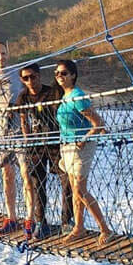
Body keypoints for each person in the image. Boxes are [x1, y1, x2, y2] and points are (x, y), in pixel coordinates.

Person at [54, 59, 113, 246]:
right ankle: (79, 227)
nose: (60, 77)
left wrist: (84, 139)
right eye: (57, 74)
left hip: (81, 147)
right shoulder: (65, 96)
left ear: (73, 75)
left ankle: (105, 229)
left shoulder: (77, 97)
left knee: (80, 190)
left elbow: (99, 123)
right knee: (75, 189)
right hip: (68, 146)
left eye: (64, 73)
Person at [17, 62, 74, 239]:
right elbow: (23, 119)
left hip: (56, 143)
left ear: (39, 76)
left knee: (66, 182)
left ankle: (66, 221)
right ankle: (41, 223)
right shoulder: (23, 97)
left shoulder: (52, 93)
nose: (30, 81)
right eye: (25, 78)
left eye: (32, 76)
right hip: (35, 147)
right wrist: (27, 139)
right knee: (38, 184)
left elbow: (67, 91)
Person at [0, 41, 32, 238]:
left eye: (3, 53)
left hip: (20, 132)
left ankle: (29, 219)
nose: (1, 57)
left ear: (8, 54)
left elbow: (29, 95)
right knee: (7, 176)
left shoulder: (18, 74)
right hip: (0, 134)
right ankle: (11, 218)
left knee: (27, 175)